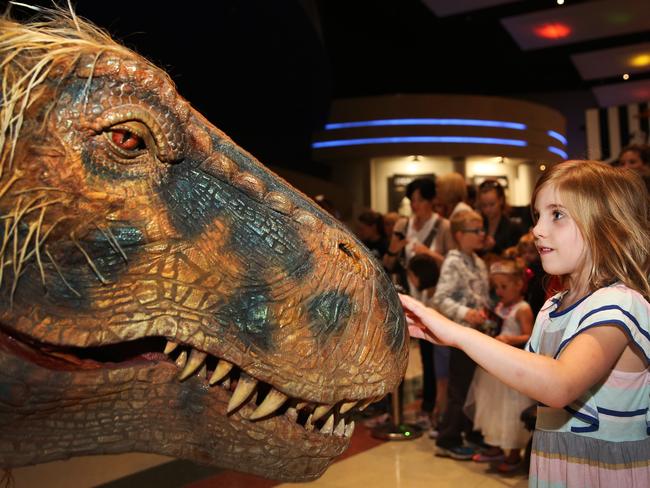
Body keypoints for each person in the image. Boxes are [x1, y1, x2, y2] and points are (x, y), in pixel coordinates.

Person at [402, 160, 650, 487]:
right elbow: (528, 375)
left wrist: (458, 333)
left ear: (607, 225)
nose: (537, 230)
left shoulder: (621, 303)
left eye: (557, 214)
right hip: (554, 467)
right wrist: (449, 339)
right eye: (538, 216)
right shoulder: (551, 308)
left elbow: (559, 384)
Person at [383, 177, 455, 429]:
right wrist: (395, 247)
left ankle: (429, 408)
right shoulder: (403, 224)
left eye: (420, 200)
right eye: (411, 200)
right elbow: (388, 263)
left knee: (429, 354)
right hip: (405, 295)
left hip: (431, 299)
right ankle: (393, 410)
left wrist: (429, 253)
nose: (415, 205)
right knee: (397, 353)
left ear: (430, 200)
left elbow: (452, 261)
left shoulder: (443, 226)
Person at [465, 259, 535, 473]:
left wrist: (510, 339)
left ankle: (513, 453)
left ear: (519, 284)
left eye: (504, 286)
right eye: (496, 287)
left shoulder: (522, 309)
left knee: (510, 408)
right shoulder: (499, 306)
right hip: (493, 369)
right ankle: (494, 446)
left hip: (510, 367)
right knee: (492, 407)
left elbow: (530, 335)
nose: (499, 291)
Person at [432, 209, 490, 459]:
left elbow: (482, 296)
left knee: (476, 387)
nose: (482, 234)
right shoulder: (453, 260)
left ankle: (472, 431)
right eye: (475, 231)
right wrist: (466, 313)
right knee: (459, 389)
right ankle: (448, 438)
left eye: (482, 230)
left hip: (479, 335)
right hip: (462, 336)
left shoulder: (478, 261)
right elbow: (440, 299)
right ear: (459, 235)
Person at [406, 254, 448, 435]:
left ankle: (435, 414)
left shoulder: (435, 297)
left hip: (438, 345)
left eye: (411, 275)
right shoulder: (429, 293)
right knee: (433, 376)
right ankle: (433, 411)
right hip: (433, 343)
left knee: (438, 378)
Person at [477, 179, 524, 257]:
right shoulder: (478, 225)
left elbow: (517, 256)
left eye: (492, 204)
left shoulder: (513, 228)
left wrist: (495, 247)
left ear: (501, 200)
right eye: (484, 205)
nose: (488, 209)